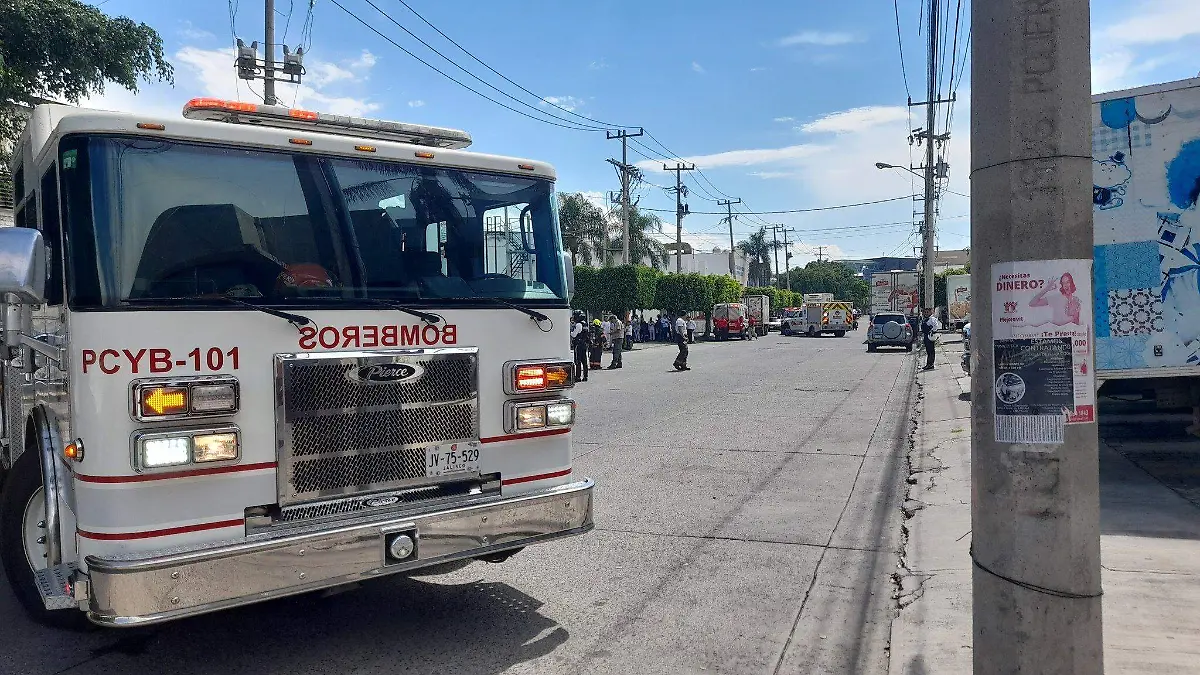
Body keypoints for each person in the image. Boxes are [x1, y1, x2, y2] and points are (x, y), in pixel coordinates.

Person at [571, 315, 591, 382]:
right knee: (584, 361)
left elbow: (574, 334)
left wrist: (570, 332)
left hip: (578, 344)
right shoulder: (585, 324)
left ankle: (578, 377)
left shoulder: (578, 324)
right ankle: (585, 376)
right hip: (584, 344)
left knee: (578, 361)